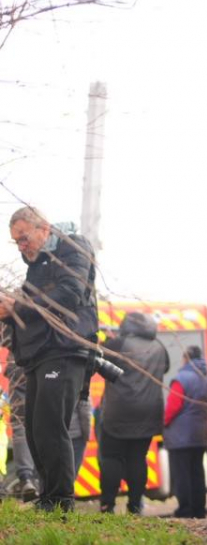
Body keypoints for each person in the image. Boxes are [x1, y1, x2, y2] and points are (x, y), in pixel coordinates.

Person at [0, 207, 99, 514]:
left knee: (50, 426)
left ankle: (60, 503)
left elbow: (68, 295)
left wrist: (19, 304)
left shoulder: (73, 247)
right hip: (40, 354)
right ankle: (49, 499)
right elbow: (33, 310)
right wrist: (10, 313)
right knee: (33, 429)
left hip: (65, 348)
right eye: (16, 241)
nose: (21, 246)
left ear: (44, 229)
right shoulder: (37, 264)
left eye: (24, 237)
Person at [97, 312, 169, 514]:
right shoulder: (159, 347)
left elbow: (97, 360)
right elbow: (166, 367)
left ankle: (107, 504)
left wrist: (108, 340)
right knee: (138, 458)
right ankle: (135, 505)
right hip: (148, 413)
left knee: (111, 457)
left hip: (118, 411)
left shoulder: (119, 344)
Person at [164, 344, 207, 519]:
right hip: (200, 434)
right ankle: (199, 510)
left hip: (181, 436)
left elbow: (173, 407)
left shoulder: (181, 378)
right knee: (197, 473)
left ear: (186, 358)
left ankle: (185, 510)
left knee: (182, 474)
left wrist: (164, 423)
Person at [1, 327, 39, 501]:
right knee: (43, 423)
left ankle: (26, 477)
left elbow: (5, 336)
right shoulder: (47, 303)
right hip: (45, 363)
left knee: (20, 424)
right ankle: (43, 479)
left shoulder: (13, 305)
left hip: (18, 363)